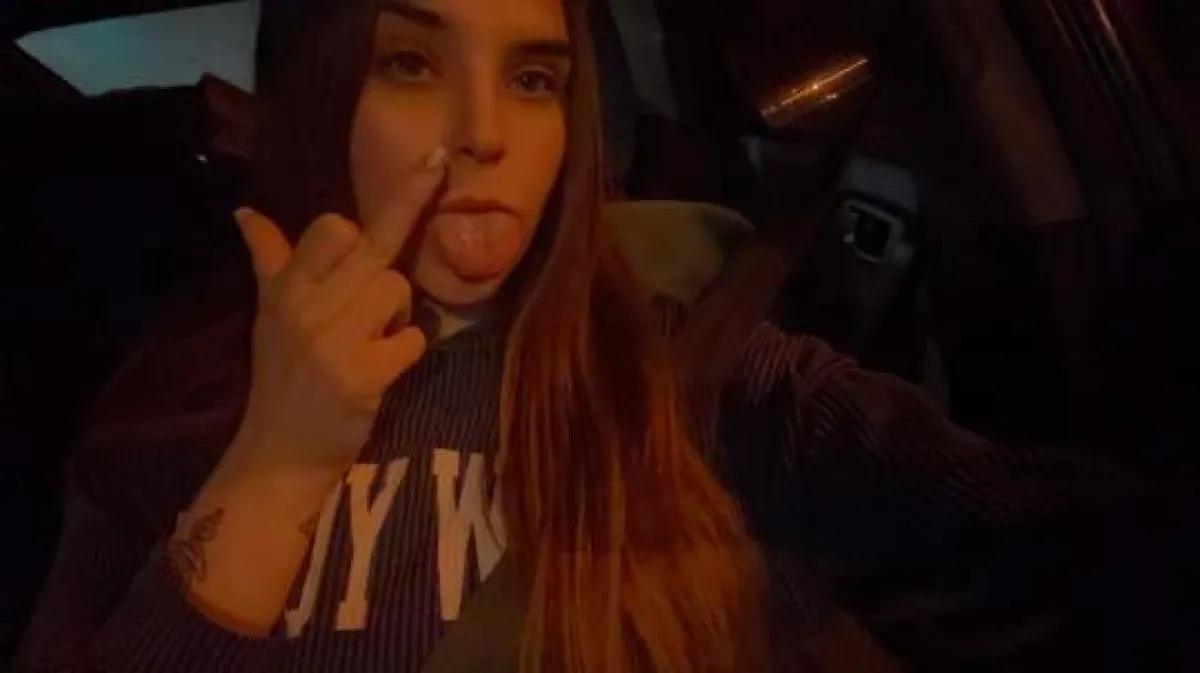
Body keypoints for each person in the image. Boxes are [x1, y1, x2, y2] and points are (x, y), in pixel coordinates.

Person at [14, 0, 1195, 671]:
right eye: (412, 63)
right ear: (319, 97)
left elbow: (1065, 543)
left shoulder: (699, 365)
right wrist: (276, 462)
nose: (487, 131)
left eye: (534, 79)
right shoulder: (165, 422)